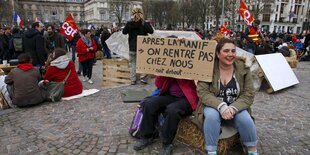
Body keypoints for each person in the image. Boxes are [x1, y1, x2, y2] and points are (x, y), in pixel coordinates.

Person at [196, 38, 258, 155]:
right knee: (211, 116)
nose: (230, 54)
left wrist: (233, 108)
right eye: (226, 51)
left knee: (245, 119)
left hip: (235, 105)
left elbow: (249, 94)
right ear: (218, 54)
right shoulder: (208, 68)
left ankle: (252, 150)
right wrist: (221, 106)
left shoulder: (243, 69)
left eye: (233, 51)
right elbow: (203, 92)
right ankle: (211, 151)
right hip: (213, 105)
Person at [133, 75, 198, 155]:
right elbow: (158, 84)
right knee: (149, 103)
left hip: (186, 99)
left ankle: (167, 143)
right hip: (169, 96)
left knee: (172, 110)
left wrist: (180, 73)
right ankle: (147, 136)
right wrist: (162, 73)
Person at [122, 7, 154, 85]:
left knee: (133, 64)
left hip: (132, 47)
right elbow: (151, 31)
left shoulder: (129, 23)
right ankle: (143, 78)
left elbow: (124, 32)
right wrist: (147, 24)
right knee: (144, 63)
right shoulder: (144, 23)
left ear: (132, 14)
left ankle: (133, 80)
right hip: (142, 47)